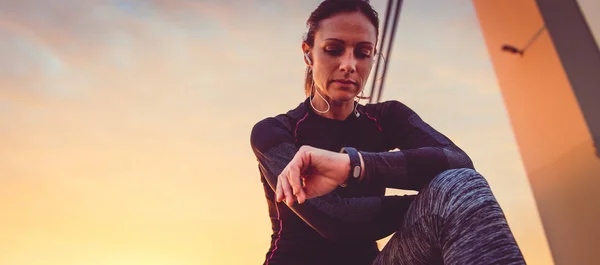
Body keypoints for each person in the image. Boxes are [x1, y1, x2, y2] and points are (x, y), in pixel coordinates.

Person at [250, 1, 526, 264]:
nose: (349, 65)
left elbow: (459, 162)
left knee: (461, 185)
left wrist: (355, 165)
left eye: (362, 52)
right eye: (334, 49)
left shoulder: (388, 117)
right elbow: (336, 221)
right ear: (308, 53)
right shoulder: (273, 132)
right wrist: (433, 204)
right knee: (451, 194)